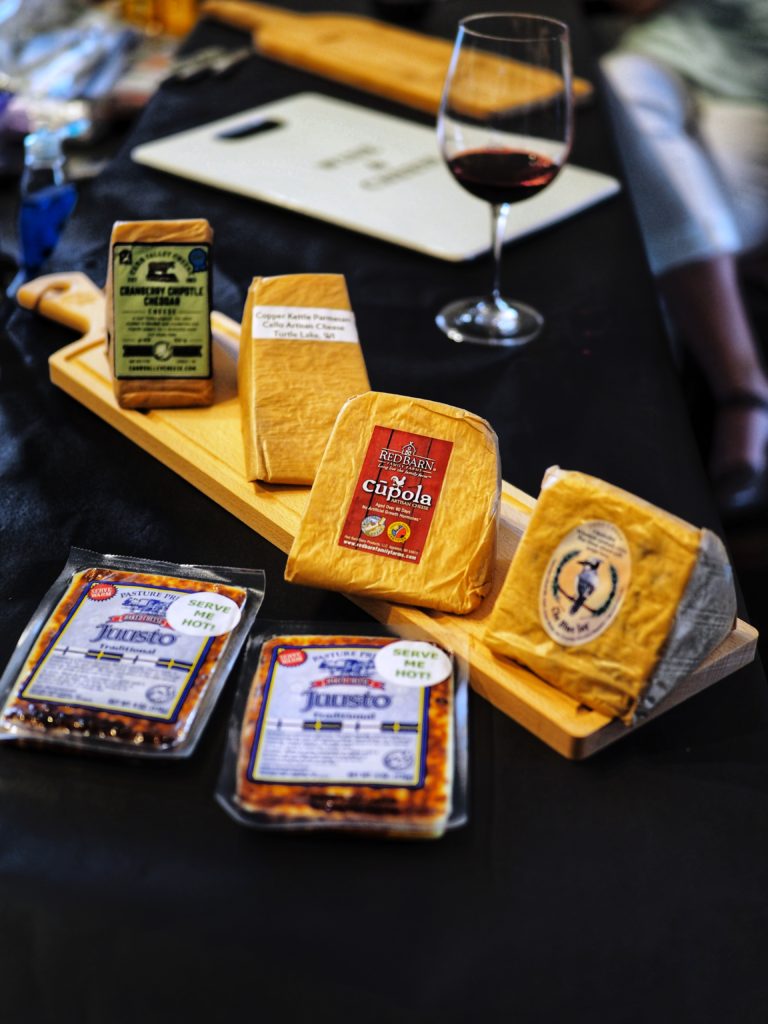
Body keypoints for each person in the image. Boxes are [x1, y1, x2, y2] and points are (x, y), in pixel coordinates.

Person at [599, 0, 768, 518]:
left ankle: (720, 396)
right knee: (618, 91)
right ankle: (733, 392)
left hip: (752, 92)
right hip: (657, 55)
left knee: (675, 211)